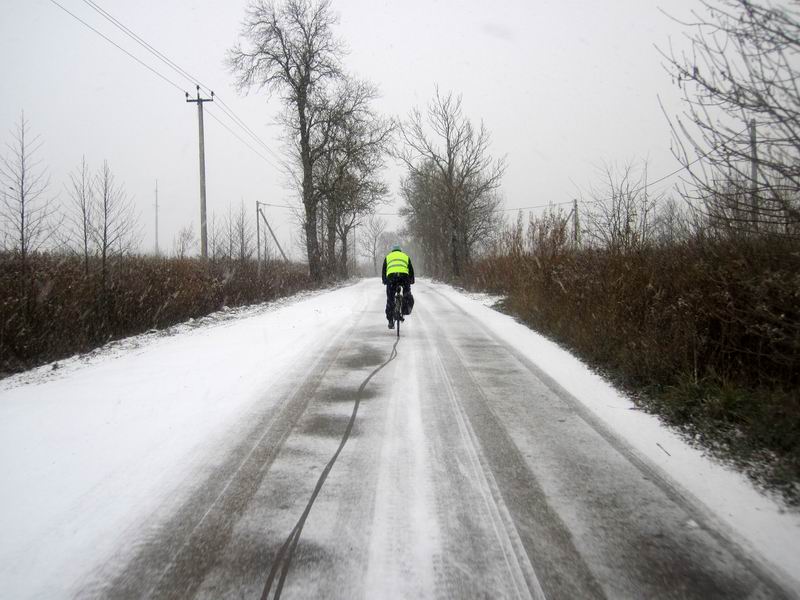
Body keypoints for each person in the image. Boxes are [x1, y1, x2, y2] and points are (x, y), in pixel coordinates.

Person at [381, 244, 415, 329]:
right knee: (407, 294)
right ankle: (404, 309)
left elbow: (384, 270)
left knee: (390, 299)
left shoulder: (388, 257)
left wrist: (385, 281)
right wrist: (411, 281)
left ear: (392, 251)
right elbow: (411, 270)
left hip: (392, 278)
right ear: (400, 250)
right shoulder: (405, 256)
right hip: (404, 277)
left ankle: (390, 321)